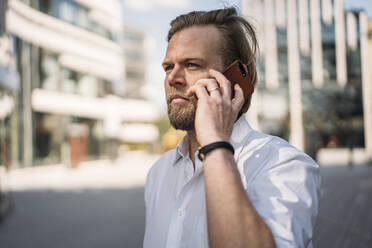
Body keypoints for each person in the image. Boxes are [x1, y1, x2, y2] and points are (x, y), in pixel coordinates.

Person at [144, 7, 321, 248]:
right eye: (168, 67)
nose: (172, 78)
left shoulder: (286, 165)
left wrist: (215, 142)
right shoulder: (158, 173)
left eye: (192, 64)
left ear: (234, 78)